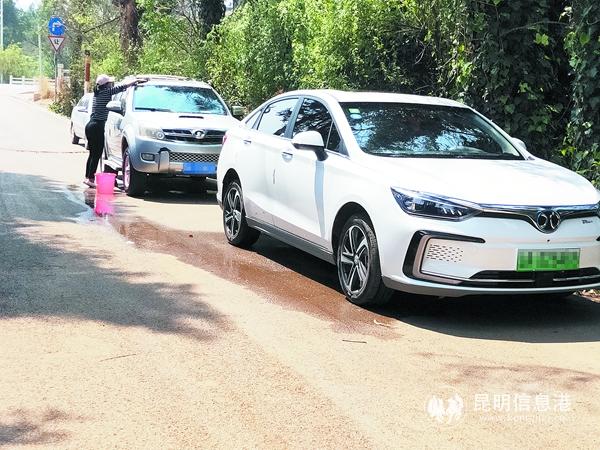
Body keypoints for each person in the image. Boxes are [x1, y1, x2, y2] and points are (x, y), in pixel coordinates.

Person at [83, 74, 146, 187]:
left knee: (92, 154)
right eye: (110, 83)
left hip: (91, 125)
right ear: (106, 85)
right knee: (96, 154)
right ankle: (90, 179)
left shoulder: (98, 92)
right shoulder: (106, 92)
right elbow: (121, 87)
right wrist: (135, 81)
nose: (111, 84)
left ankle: (88, 177)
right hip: (97, 126)